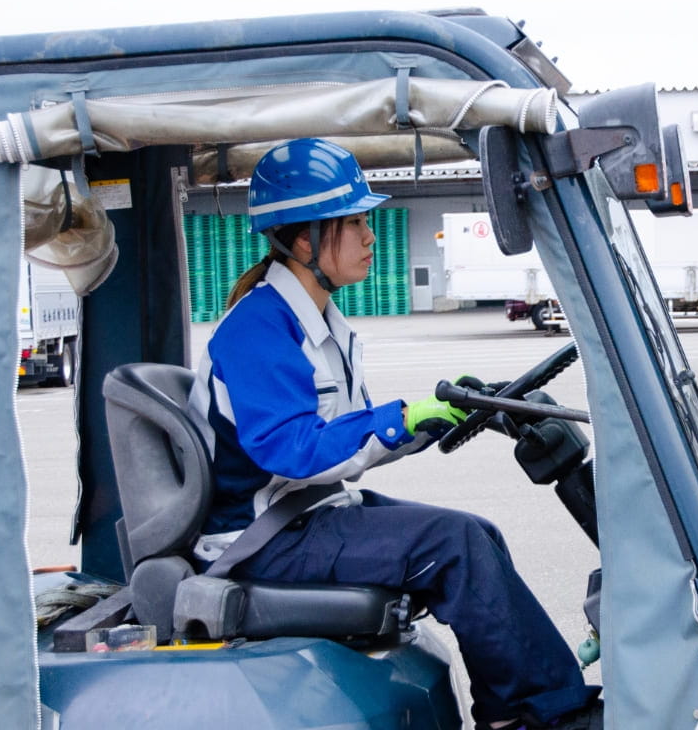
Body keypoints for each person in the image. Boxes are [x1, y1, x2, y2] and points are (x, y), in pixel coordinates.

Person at [187, 138, 601, 729]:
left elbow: (341, 440)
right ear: (303, 238)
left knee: (477, 534)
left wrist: (440, 415)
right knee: (454, 544)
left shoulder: (315, 319)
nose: (370, 236)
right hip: (265, 539)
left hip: (307, 513)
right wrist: (398, 418)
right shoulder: (258, 329)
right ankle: (553, 716)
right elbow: (296, 451)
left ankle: (513, 715)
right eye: (353, 223)